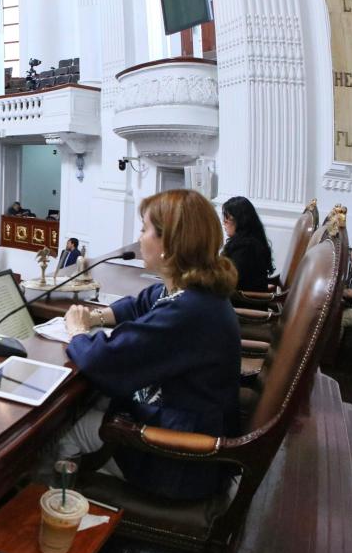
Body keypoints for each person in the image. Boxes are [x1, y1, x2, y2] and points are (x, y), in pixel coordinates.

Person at [56, 189, 240, 501]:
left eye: (144, 229)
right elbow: (142, 302)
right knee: (91, 403)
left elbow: (104, 360)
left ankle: (47, 509)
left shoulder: (188, 312)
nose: (139, 238)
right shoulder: (195, 292)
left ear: (169, 243)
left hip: (177, 461)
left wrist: (77, 332)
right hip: (187, 425)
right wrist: (97, 317)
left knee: (63, 432)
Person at [221, 196, 275, 293]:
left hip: (243, 302)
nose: (224, 223)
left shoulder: (246, 248)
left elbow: (231, 281)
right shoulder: (251, 242)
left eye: (227, 220)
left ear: (240, 220)